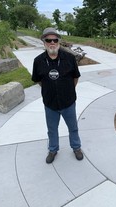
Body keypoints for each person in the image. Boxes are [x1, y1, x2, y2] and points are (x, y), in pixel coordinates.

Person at [32, 27, 83, 164]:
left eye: (55, 40)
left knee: (73, 127)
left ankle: (76, 147)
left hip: (68, 102)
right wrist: (49, 89)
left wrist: (67, 90)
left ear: (59, 42)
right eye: (49, 40)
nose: (52, 43)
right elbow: (38, 80)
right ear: (44, 42)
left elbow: (75, 78)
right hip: (50, 104)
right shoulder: (38, 61)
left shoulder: (70, 58)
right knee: (52, 129)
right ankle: (53, 149)